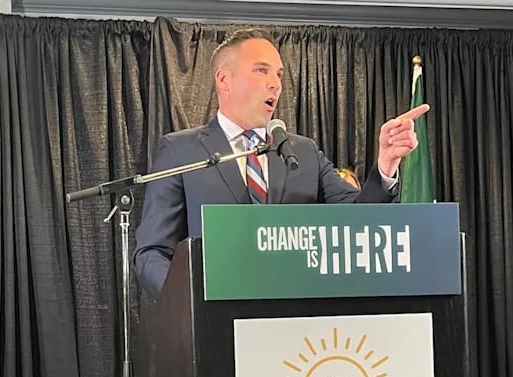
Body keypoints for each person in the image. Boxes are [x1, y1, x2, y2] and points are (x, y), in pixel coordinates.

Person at [133, 28, 429, 297]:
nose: (275, 84)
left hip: (296, 322)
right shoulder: (181, 151)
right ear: (224, 80)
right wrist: (188, 303)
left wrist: (386, 165)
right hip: (214, 321)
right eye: (261, 71)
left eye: (278, 74)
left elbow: (358, 224)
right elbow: (152, 253)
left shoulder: (302, 152)